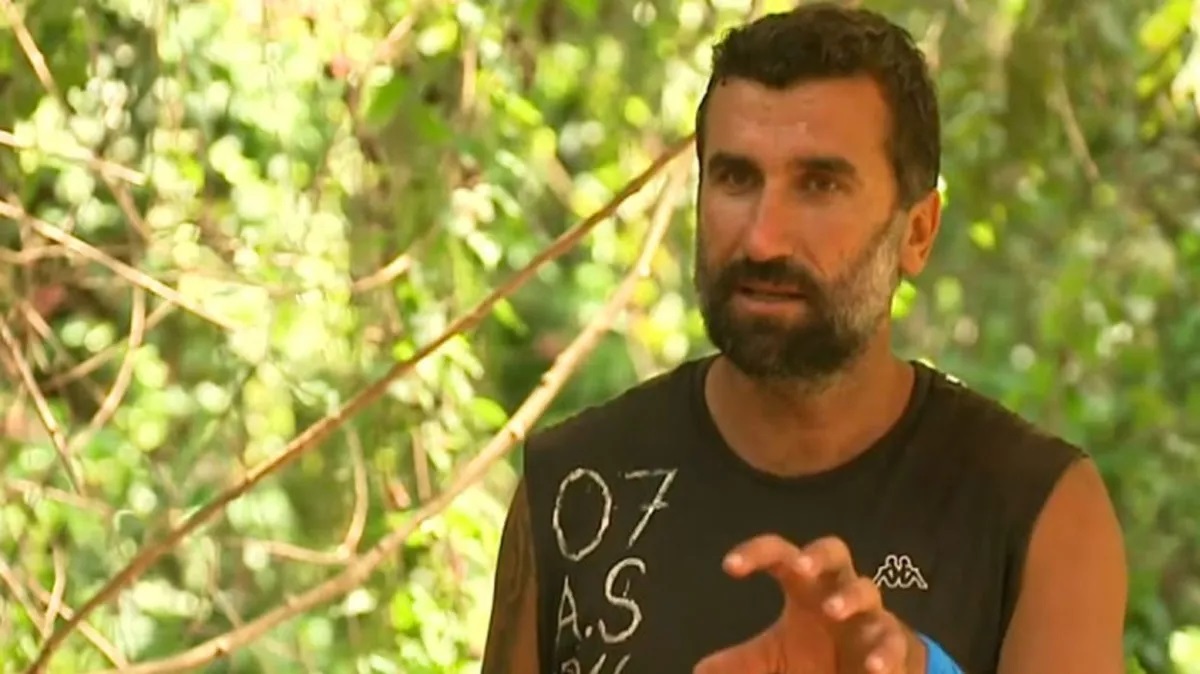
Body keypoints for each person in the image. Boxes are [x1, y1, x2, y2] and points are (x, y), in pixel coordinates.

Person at [480, 4, 1127, 673]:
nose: (763, 238)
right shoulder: (570, 491)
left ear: (917, 233)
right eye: (736, 178)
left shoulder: (1039, 511)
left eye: (819, 185)